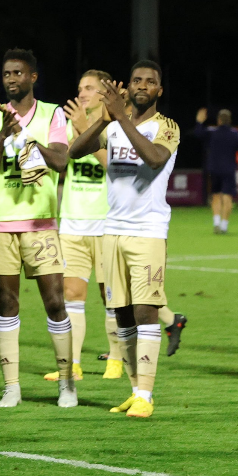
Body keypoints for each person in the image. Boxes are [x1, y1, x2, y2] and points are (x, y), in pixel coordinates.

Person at [70, 60, 181, 418]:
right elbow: (75, 151)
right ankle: (135, 391)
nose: (142, 85)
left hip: (147, 231)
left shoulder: (167, 127)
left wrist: (120, 119)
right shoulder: (114, 125)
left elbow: (153, 160)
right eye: (136, 80)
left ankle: (147, 395)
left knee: (147, 310)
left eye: (150, 82)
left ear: (159, 90)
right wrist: (103, 119)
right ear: (128, 86)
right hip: (112, 230)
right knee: (121, 315)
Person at [0, 48, 77, 409]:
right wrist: (5, 134)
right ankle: (11, 386)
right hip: (2, 224)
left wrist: (30, 142)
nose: (11, 79)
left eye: (18, 73)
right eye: (6, 74)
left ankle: (66, 383)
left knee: (55, 302)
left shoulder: (52, 114)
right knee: (6, 304)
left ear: (33, 77)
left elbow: (62, 161)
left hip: (41, 224)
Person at [54, 69, 122, 381]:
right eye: (80, 87)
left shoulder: (118, 126)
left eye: (90, 88)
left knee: (111, 296)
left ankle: (116, 361)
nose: (82, 93)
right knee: (72, 294)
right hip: (72, 223)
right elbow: (61, 165)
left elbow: (116, 169)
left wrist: (88, 134)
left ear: (104, 92)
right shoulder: (66, 126)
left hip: (107, 223)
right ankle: (73, 365)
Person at [194, 108, 238, 234]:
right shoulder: (234, 133)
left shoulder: (212, 132)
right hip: (229, 169)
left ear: (219, 120)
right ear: (230, 121)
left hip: (214, 169)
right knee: (227, 197)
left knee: (216, 196)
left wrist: (199, 122)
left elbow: (198, 134)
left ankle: (216, 222)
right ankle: (224, 226)